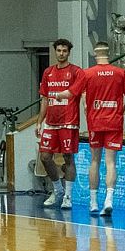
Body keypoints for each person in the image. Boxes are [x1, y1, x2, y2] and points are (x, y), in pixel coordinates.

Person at [77, 41, 125, 216]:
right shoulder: (120, 73)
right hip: (114, 122)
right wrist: (121, 110)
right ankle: (109, 200)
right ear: (108, 54)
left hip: (96, 122)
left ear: (95, 55)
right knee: (111, 162)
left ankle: (93, 202)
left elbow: (82, 100)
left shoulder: (87, 74)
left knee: (94, 160)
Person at [37, 38, 83, 209]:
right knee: (45, 157)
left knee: (68, 158)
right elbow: (44, 99)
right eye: (59, 50)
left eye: (64, 51)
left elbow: (76, 94)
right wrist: (39, 122)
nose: (61, 53)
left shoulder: (76, 72)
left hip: (69, 122)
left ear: (68, 53)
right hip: (51, 122)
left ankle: (68, 197)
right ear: (55, 52)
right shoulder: (48, 72)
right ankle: (57, 190)